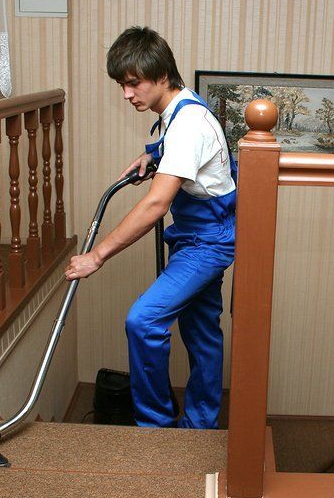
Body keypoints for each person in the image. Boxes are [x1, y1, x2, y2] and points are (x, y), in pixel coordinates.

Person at [65, 26, 236, 429]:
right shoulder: (179, 111)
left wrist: (97, 255)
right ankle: (200, 425)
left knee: (143, 320)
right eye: (121, 85)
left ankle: (155, 427)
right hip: (199, 236)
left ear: (162, 75)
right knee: (202, 335)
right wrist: (153, 156)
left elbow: (157, 203)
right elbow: (188, 156)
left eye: (132, 83)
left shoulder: (188, 123)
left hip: (206, 243)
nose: (126, 94)